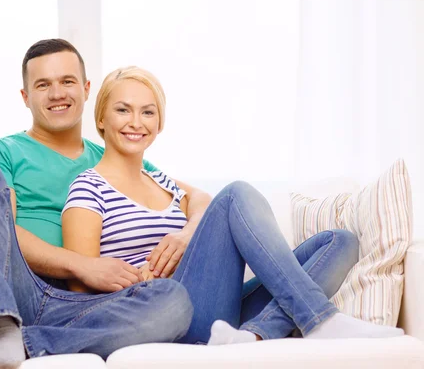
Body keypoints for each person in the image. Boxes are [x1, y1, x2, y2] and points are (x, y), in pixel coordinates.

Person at [60, 65, 406, 345]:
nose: (136, 122)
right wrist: (136, 280)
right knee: (236, 195)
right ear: (102, 119)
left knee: (341, 242)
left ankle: (255, 334)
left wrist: (186, 235)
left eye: (147, 112)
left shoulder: (163, 181)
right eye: (123, 110)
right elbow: (82, 294)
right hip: (166, 315)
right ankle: (319, 319)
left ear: (159, 123)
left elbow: (203, 203)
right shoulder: (89, 187)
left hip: (216, 309)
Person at [0, 39, 206, 369]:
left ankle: (11, 341)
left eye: (67, 81)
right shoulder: (2, 151)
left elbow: (198, 199)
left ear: (87, 89)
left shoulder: (115, 156)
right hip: (14, 288)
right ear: (25, 97)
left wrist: (188, 232)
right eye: (43, 85)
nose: (58, 93)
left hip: (83, 306)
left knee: (173, 302)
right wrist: (81, 265)